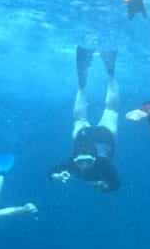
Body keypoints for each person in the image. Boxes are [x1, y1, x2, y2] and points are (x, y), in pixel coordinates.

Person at [49, 47, 121, 193]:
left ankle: (84, 84)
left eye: (85, 162)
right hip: (103, 136)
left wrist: (55, 176)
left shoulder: (72, 164)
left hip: (93, 136)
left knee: (109, 111)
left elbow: (50, 172)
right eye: (82, 162)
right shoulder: (103, 165)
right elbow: (116, 184)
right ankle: (108, 74)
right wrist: (105, 186)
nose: (83, 166)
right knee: (110, 111)